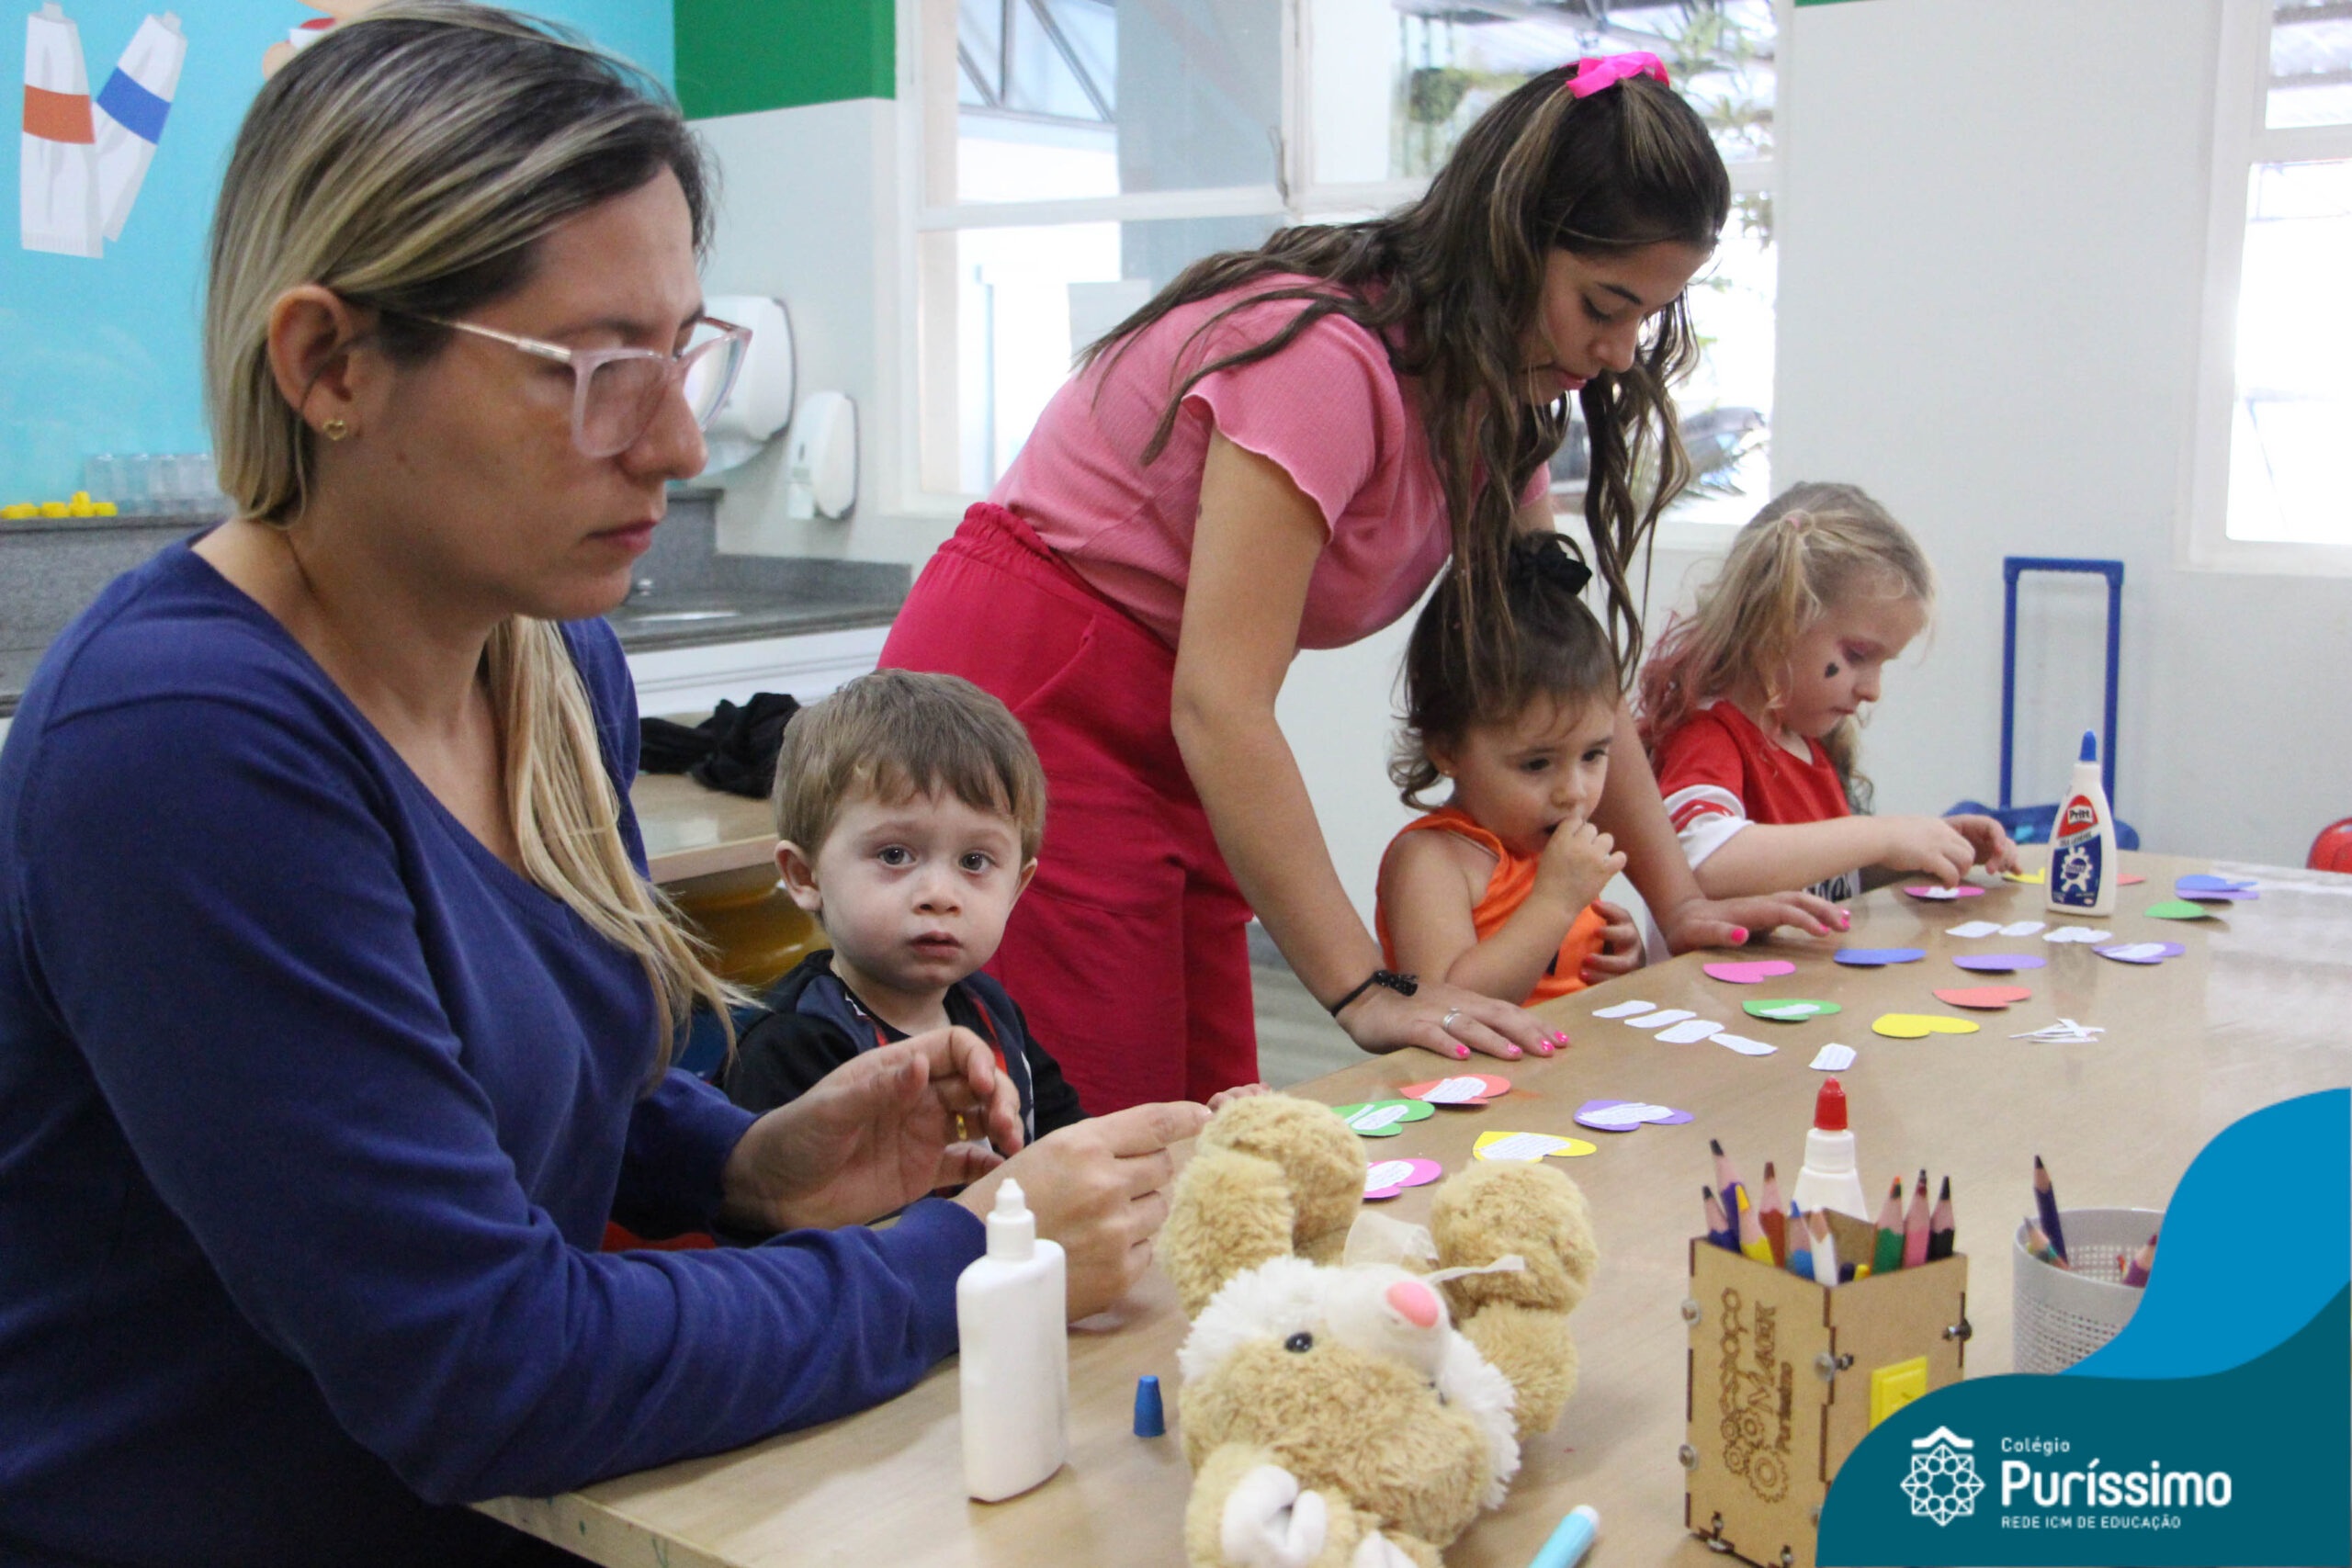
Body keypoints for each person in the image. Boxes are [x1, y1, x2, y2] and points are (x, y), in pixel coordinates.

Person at [0, 10, 1203, 1566]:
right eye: (598, 369)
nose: (680, 441)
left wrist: (744, 1160)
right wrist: (959, 1256)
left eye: (685, 352)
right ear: (329, 364)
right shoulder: (183, 746)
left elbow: (545, 1077)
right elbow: (481, 1368)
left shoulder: (552, 661)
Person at [881, 52, 1840, 1115]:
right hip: (1031, 690)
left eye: (1646, 319)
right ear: (1510, 240)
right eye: (1602, 306)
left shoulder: (1492, 399)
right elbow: (1222, 702)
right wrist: (1363, 987)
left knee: (1215, 1115)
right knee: (1112, 1118)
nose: (1618, 354)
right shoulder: (1324, 365)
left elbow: (1560, 665)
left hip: (1173, 721)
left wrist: (1680, 899)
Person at [720, 669, 1089, 1138]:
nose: (940, 895)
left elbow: (1068, 1139)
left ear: (1016, 887)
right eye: (894, 855)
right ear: (804, 875)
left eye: (974, 861)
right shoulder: (790, 1047)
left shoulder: (992, 1009)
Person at [1637, 482, 2020, 901]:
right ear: (1776, 621)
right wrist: (1881, 836)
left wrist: (1918, 851)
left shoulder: (1807, 742)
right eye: (1857, 655)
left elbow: (1823, 879)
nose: (1873, 691)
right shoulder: (1710, 736)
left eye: (1882, 665)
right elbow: (1703, 864)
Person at [1374, 533, 1644, 1008]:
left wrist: (1622, 954)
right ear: (1447, 749)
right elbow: (1443, 1004)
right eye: (1537, 763)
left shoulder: (1546, 849)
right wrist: (1555, 904)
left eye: (1592, 756)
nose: (1573, 792)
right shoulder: (1433, 862)